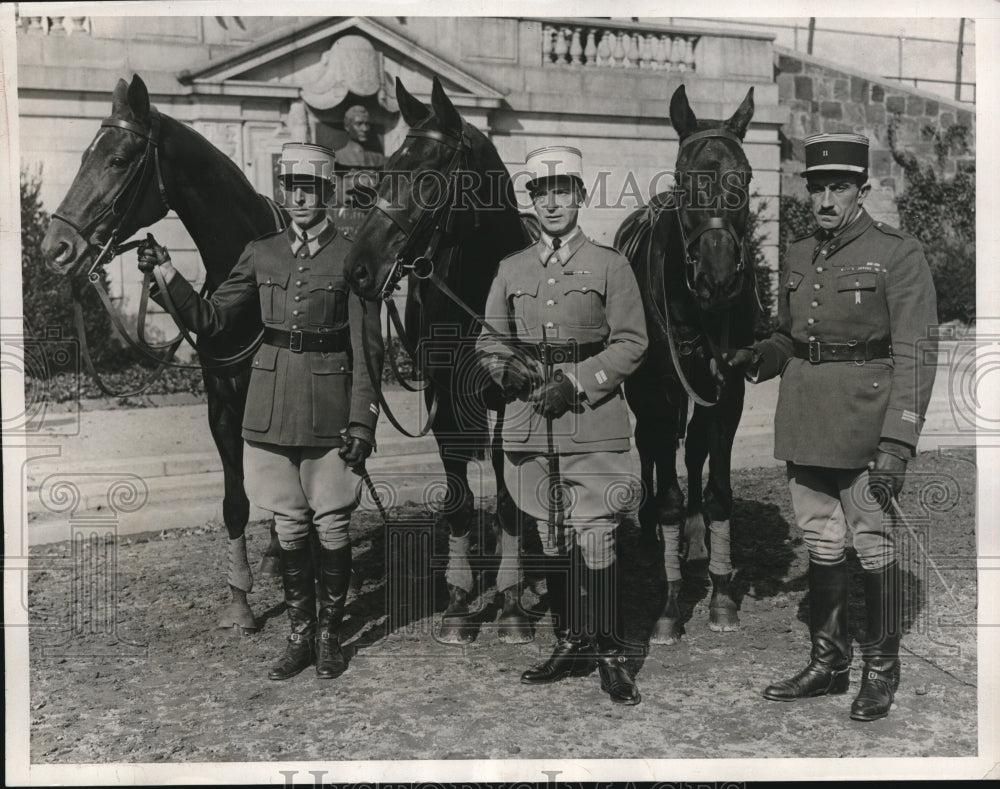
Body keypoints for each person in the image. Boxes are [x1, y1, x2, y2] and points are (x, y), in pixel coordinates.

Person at [137, 142, 384, 681]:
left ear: (326, 193)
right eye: (291, 188)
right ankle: (299, 634)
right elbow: (213, 318)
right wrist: (166, 276)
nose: (299, 198)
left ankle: (328, 636)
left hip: (330, 406)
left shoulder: (353, 254)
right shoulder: (262, 251)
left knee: (334, 522)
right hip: (269, 405)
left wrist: (363, 420)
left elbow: (368, 348)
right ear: (283, 192)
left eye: (310, 188)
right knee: (290, 525)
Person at [727, 133, 938, 721]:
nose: (824, 200)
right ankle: (827, 663)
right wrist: (758, 358)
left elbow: (918, 352)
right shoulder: (797, 253)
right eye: (816, 188)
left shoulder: (897, 253)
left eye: (838, 187)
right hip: (806, 416)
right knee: (822, 539)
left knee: (871, 544)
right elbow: (789, 336)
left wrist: (898, 442)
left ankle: (880, 671)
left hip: (866, 424)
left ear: (861, 190)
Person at [476, 146, 648, 705]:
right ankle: (571, 640)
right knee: (552, 535)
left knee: (596, 533)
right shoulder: (511, 269)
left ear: (579, 195)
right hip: (529, 424)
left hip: (591, 420)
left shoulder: (609, 264)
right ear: (533, 200)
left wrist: (574, 382)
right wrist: (512, 372)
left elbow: (632, 343)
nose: (551, 202)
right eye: (540, 192)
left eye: (562, 190)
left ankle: (608, 652)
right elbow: (489, 342)